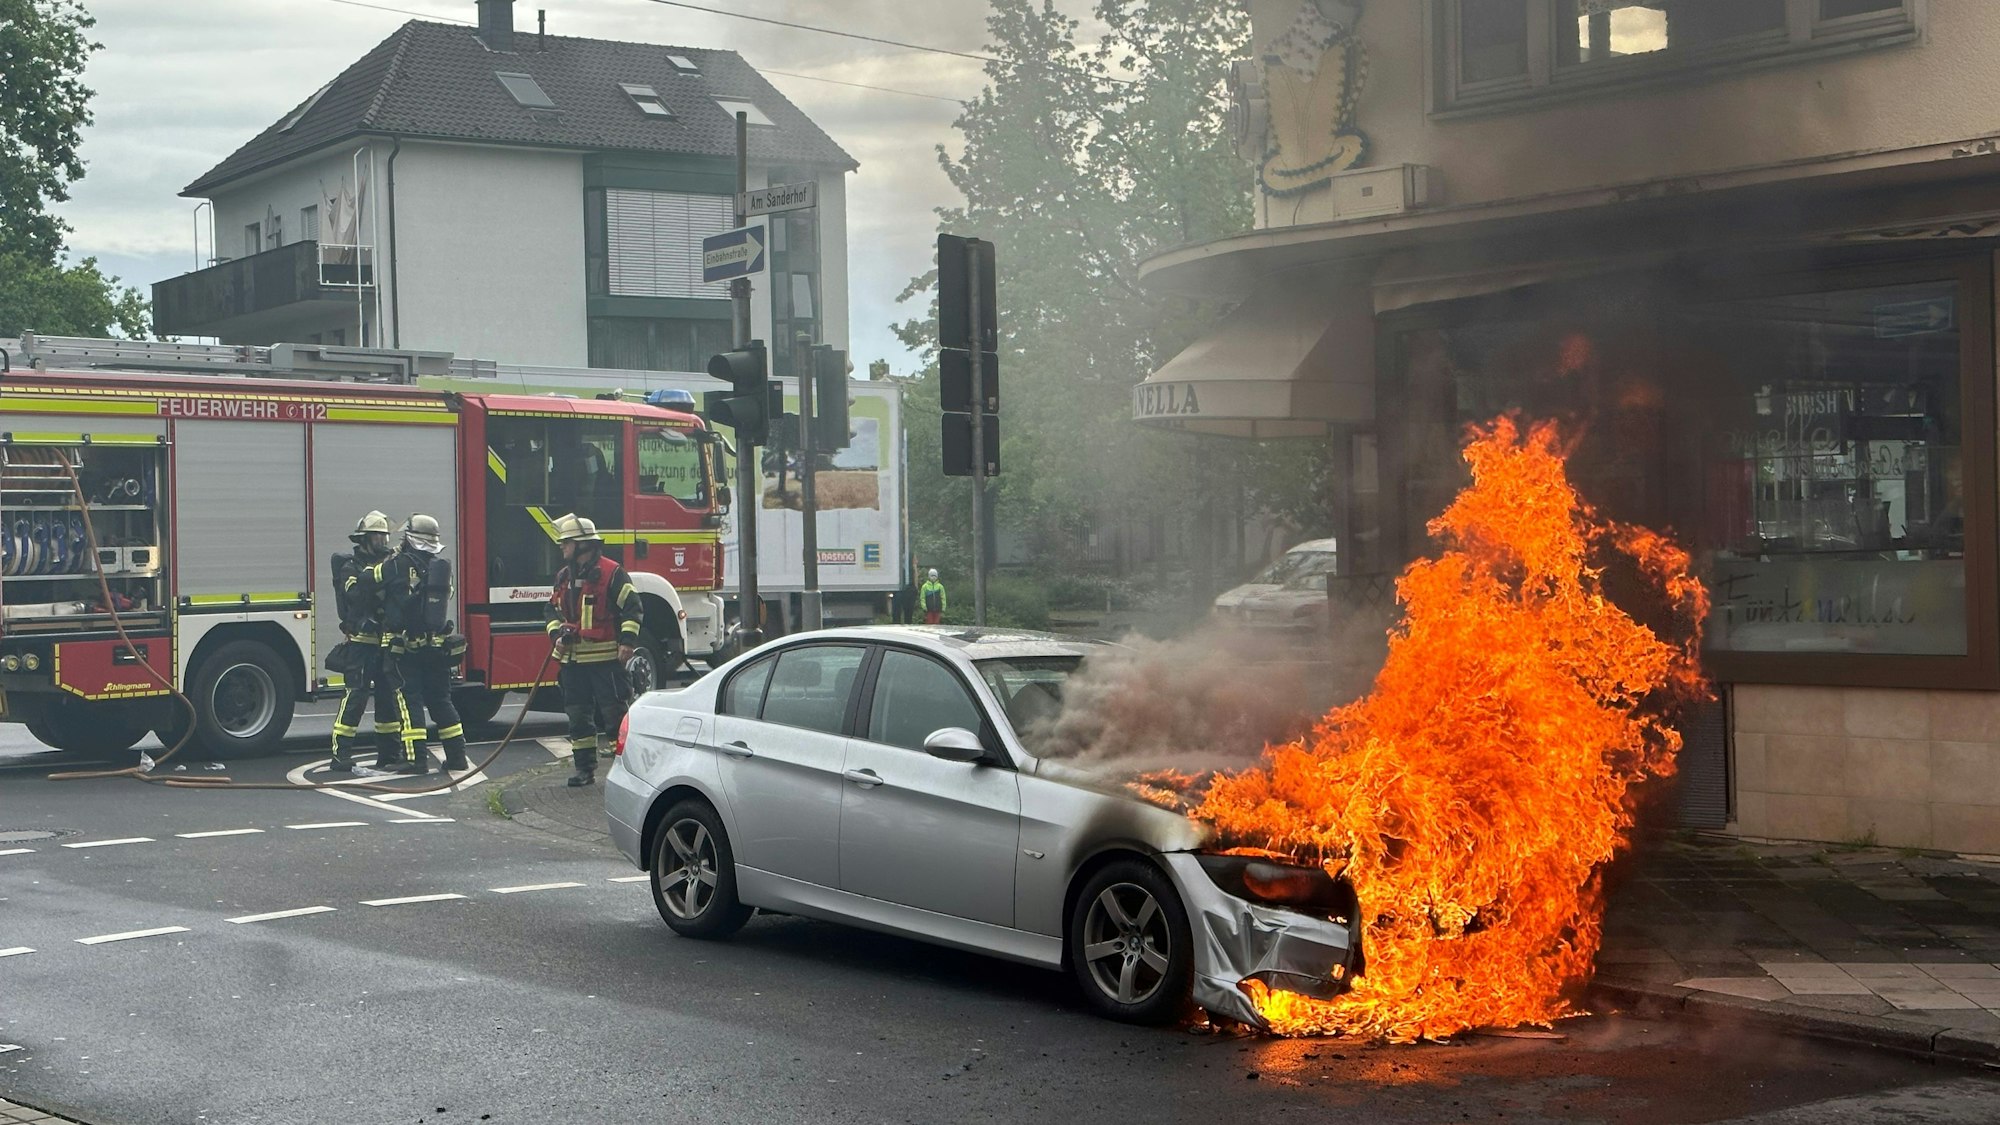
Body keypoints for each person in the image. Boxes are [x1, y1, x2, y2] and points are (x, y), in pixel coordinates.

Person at [543, 513, 642, 788]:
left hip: (606, 662)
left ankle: (629, 772)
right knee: (578, 718)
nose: (562, 547)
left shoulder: (612, 573)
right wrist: (556, 634)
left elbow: (633, 608)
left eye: (567, 543)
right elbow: (550, 609)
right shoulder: (564, 576)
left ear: (583, 545)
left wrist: (627, 642)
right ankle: (584, 770)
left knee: (614, 717)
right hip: (573, 663)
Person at [329, 511, 421, 774]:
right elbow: (355, 595)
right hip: (361, 643)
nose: (382, 540)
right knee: (355, 696)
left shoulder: (391, 563)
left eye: (384, 535)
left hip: (386, 643)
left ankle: (389, 754)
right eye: (377, 535)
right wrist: (378, 578)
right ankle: (341, 754)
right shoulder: (351, 567)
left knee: (388, 699)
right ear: (364, 538)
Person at [383, 514, 468, 776]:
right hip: (437, 648)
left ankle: (415, 759)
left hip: (408, 649)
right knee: (441, 700)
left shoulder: (398, 564)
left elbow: (375, 585)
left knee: (410, 702)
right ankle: (457, 757)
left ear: (409, 537)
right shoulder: (440, 567)